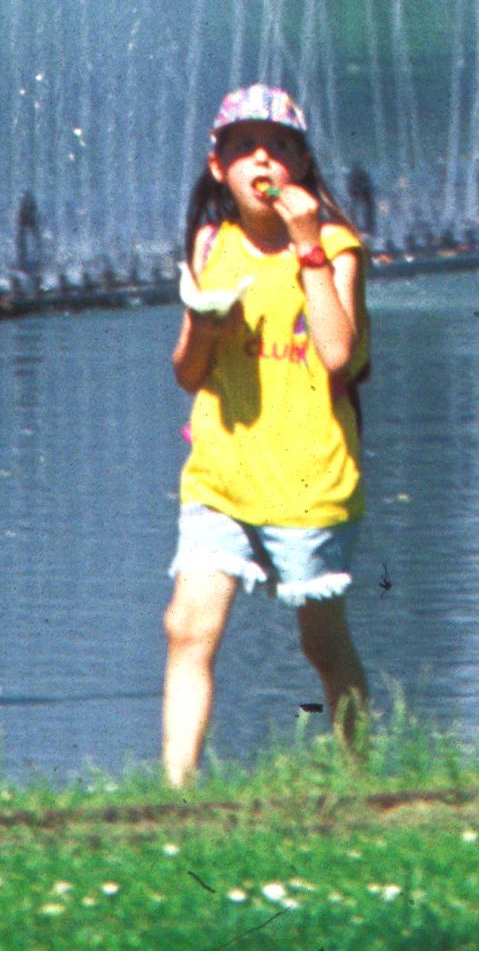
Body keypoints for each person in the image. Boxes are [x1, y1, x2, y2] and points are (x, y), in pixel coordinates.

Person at [161, 82, 372, 784]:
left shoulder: (337, 247)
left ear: (304, 167)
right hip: (220, 471)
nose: (264, 161)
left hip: (307, 478)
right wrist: (204, 326)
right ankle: (175, 791)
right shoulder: (210, 243)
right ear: (217, 165)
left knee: (322, 642)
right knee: (187, 627)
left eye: (281, 147)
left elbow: (339, 353)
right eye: (245, 147)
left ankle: (357, 777)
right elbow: (188, 373)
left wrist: (308, 247)